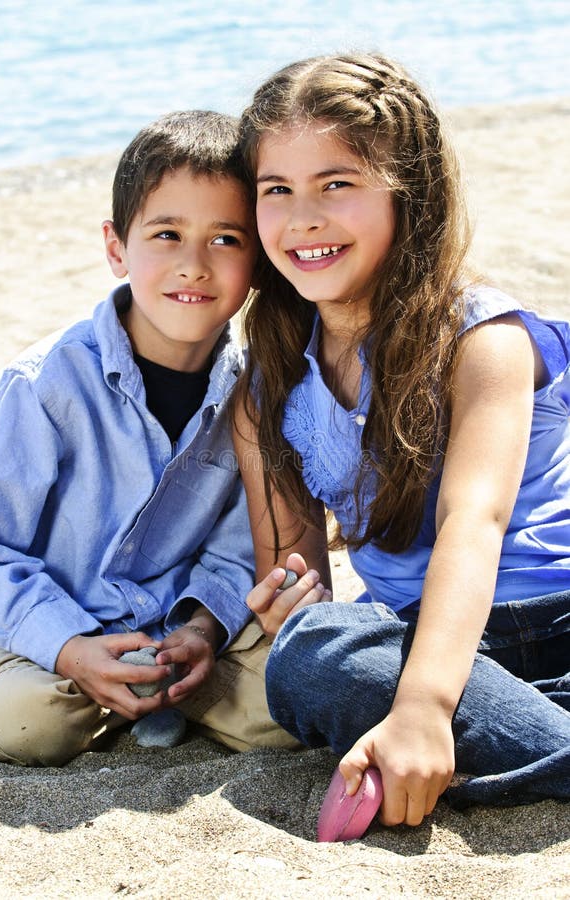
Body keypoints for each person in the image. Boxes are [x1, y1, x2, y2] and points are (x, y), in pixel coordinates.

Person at [233, 52, 570, 828]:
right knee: (310, 652)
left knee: (380, 681)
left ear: (407, 193)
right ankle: (527, 742)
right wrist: (287, 600)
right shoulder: (267, 389)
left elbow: (472, 523)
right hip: (427, 642)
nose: (302, 217)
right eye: (276, 190)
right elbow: (297, 575)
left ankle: (483, 737)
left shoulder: (483, 337)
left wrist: (421, 705)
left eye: (337, 185)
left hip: (549, 616)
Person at [0, 109, 298, 767]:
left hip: (166, 634)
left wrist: (202, 631)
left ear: (259, 261)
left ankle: (156, 689)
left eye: (227, 240)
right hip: (37, 633)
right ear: (117, 247)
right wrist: (69, 647)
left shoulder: (252, 396)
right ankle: (103, 690)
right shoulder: (40, 388)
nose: (194, 266)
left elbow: (237, 551)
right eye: (167, 234)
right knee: (34, 721)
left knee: (289, 709)